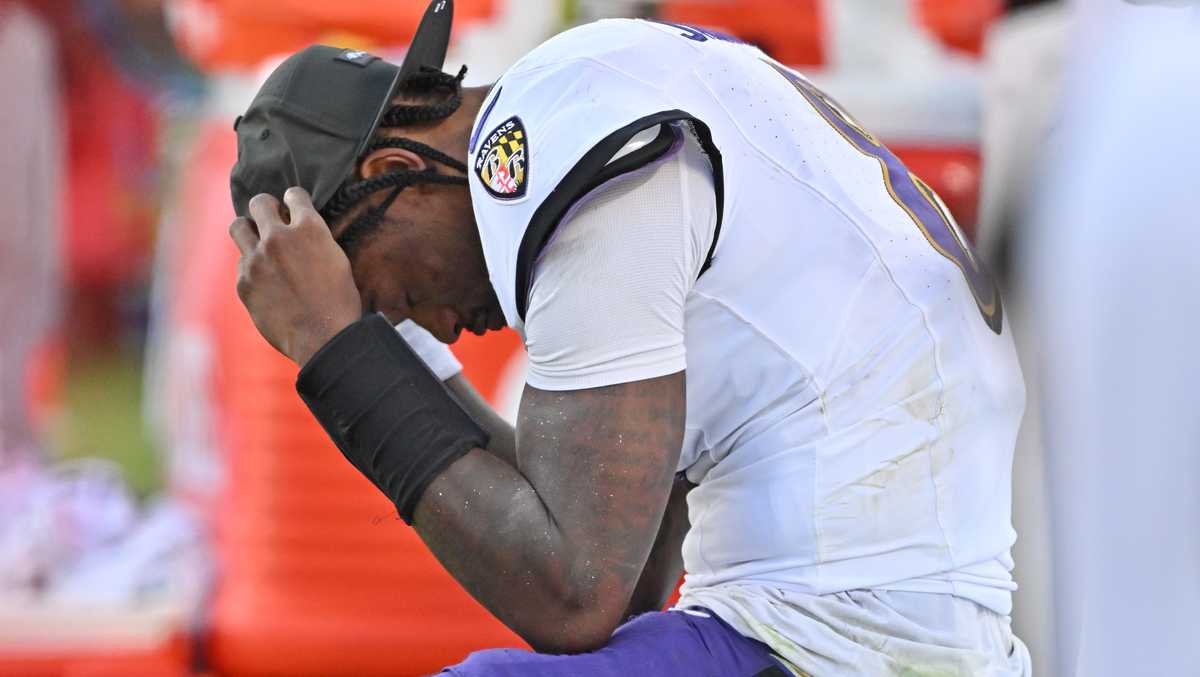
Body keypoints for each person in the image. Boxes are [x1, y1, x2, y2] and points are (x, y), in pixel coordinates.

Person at [227, 2, 1030, 674]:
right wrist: (383, 357)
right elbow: (627, 563)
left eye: (396, 298)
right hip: (882, 623)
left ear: (390, 174)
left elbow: (572, 594)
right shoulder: (585, 92)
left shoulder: (554, 143)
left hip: (843, 638)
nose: (437, 327)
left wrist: (338, 352)